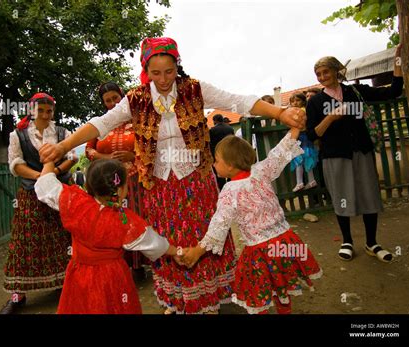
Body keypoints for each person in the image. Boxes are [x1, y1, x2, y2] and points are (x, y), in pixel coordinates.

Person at [39, 37, 306, 314]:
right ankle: (180, 298)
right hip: (159, 186)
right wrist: (62, 146)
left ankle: (213, 295)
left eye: (169, 71)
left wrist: (280, 111)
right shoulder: (135, 99)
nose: (164, 79)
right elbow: (100, 124)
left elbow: (237, 101)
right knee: (169, 240)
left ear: (177, 66)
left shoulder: (195, 89)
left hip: (197, 181)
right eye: (156, 73)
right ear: (146, 70)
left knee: (207, 232)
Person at [181, 129, 322, 314]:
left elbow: (219, 225)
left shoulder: (229, 191)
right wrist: (295, 130)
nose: (214, 164)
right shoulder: (261, 171)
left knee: (259, 293)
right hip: (285, 241)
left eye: (216, 160)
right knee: (282, 284)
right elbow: (279, 154)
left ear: (230, 165)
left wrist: (197, 251)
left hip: (259, 251)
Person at [35, 159, 180, 313]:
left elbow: (46, 185)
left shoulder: (76, 203)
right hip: (112, 278)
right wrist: (177, 252)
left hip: (79, 275)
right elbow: (154, 243)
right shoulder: (125, 221)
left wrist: (48, 161)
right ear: (120, 190)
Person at [306, 47, 403, 262]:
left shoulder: (356, 92)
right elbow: (312, 134)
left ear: (337, 71)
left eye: (325, 72)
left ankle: (372, 243)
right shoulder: (314, 102)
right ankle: (347, 241)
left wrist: (398, 61)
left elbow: (394, 91)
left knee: (369, 195)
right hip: (334, 156)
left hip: (362, 152)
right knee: (342, 198)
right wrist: (330, 118)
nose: (322, 77)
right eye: (318, 74)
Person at [0, 92, 77, 314]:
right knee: (23, 242)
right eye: (40, 110)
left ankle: (63, 284)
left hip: (60, 190)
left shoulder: (62, 133)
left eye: (48, 111)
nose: (44, 115)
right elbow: (15, 164)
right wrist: (40, 177)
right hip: (30, 193)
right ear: (31, 111)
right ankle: (17, 296)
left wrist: (55, 172)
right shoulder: (18, 135)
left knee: (63, 237)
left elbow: (72, 156)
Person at [85, 81, 147, 277]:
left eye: (115, 98)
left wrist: (133, 157)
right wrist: (106, 158)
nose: (112, 103)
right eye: (107, 100)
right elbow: (88, 149)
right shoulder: (100, 123)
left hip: (134, 182)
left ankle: (138, 265)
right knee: (112, 222)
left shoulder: (138, 120)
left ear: (122, 97)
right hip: (106, 183)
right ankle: (116, 263)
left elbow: (150, 147)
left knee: (134, 220)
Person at [289, 92, 318, 192]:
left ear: (303, 101)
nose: (295, 103)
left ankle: (300, 182)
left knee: (299, 159)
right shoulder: (302, 110)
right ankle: (311, 180)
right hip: (304, 137)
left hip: (302, 137)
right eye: (292, 101)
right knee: (307, 158)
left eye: (298, 100)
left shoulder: (301, 111)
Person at [209, 114, 234, 190]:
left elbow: (210, 143)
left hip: (217, 154)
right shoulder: (230, 128)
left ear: (215, 121)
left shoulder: (212, 130)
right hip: (229, 152)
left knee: (219, 173)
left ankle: (222, 188)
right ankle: (231, 185)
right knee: (231, 169)